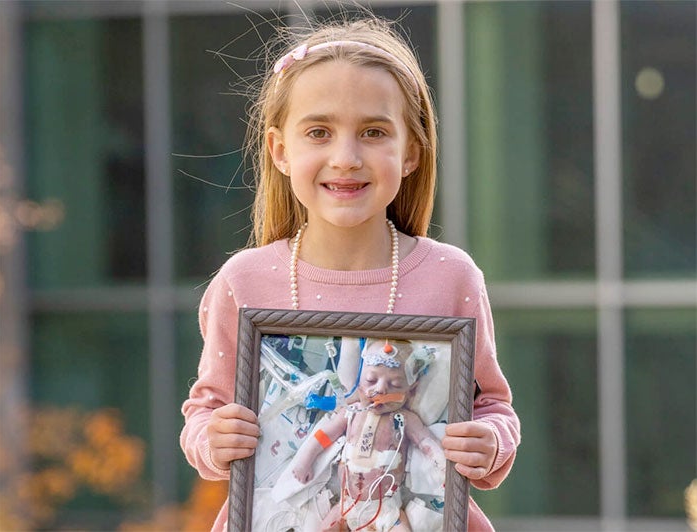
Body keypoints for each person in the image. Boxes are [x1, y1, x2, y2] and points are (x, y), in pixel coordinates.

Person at [180, 14, 521, 532]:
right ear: (280, 151)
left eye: (373, 132)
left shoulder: (451, 277)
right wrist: (214, 439)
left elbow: (493, 406)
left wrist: (489, 441)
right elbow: (204, 412)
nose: (345, 157)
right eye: (319, 132)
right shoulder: (243, 281)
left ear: (410, 152)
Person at [290, 339, 446, 531]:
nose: (380, 389)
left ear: (410, 391)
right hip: (346, 505)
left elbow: (426, 441)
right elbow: (325, 435)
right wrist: (304, 461)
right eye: (371, 380)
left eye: (395, 384)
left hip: (387, 510)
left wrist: (445, 466)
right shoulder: (351, 412)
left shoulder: (405, 419)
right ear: (359, 380)